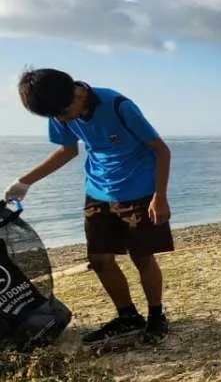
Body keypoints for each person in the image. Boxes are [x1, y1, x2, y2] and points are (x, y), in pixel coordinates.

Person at [4, 68, 173, 346]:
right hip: (97, 191)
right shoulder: (57, 109)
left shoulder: (118, 106)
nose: (62, 120)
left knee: (142, 257)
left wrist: (160, 196)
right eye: (55, 116)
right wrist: (25, 181)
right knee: (99, 260)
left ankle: (156, 315)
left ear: (77, 94)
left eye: (63, 113)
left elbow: (161, 149)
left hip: (140, 191)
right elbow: (68, 150)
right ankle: (127, 316)